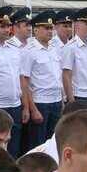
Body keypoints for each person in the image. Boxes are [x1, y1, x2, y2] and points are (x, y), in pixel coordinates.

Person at [21, 10, 65, 152]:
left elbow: (58, 77)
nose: (50, 31)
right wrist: (32, 109)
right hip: (40, 102)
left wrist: (61, 102)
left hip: (56, 100)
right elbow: (25, 83)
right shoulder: (29, 51)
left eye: (51, 28)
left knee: (54, 143)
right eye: (46, 28)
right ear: (35, 29)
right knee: (38, 145)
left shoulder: (54, 49)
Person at [63, 6, 87, 107]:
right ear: (76, 25)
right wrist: (72, 103)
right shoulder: (71, 47)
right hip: (78, 96)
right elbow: (66, 76)